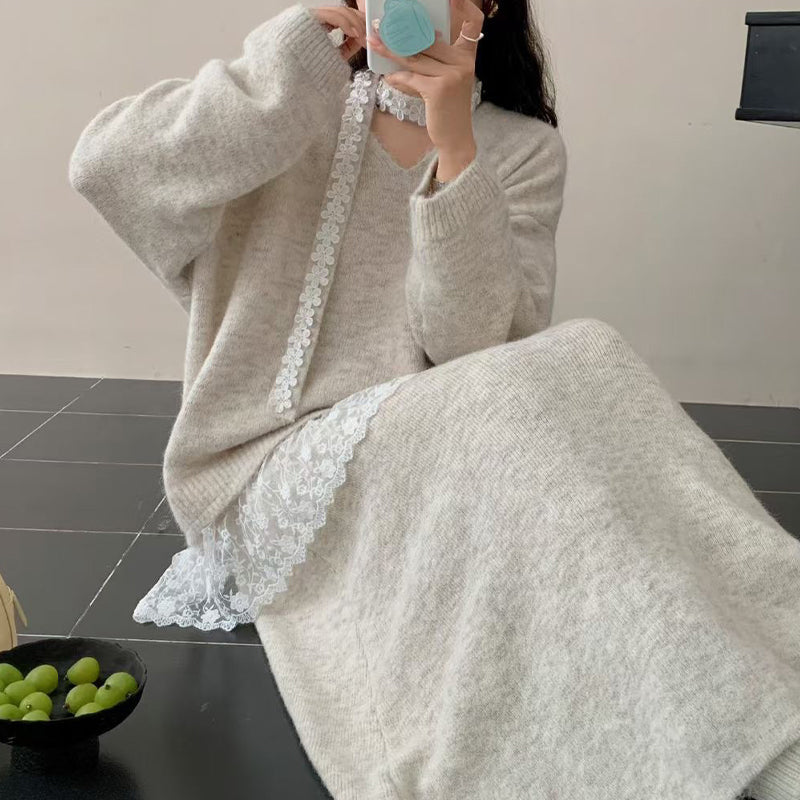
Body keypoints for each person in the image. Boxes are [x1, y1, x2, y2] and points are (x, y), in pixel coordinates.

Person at [67, 2, 800, 798]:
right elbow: (109, 169)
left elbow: (474, 349)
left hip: (434, 466)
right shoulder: (287, 103)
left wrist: (457, 153)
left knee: (591, 380)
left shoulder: (522, 147)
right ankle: (755, 736)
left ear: (484, 8)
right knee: (557, 421)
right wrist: (294, 57)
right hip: (263, 476)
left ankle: (767, 677)